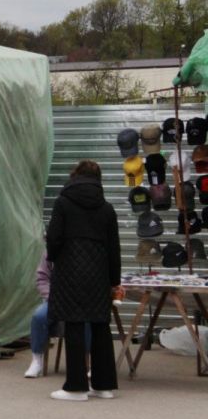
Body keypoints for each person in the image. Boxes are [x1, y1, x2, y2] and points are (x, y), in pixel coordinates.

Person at [45, 160, 121, 401]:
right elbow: (114, 248)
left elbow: (53, 238)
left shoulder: (63, 203)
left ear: (75, 176)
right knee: (100, 325)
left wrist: (55, 258)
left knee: (75, 325)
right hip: (99, 272)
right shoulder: (107, 208)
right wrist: (114, 281)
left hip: (70, 269)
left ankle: (76, 387)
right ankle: (104, 386)